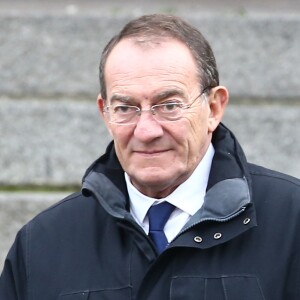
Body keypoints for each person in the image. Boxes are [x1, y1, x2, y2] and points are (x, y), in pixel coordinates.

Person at [1, 14, 300, 300]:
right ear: (105, 113)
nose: (146, 131)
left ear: (213, 108)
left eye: (169, 105)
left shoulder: (291, 224)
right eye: (125, 108)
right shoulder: (42, 243)